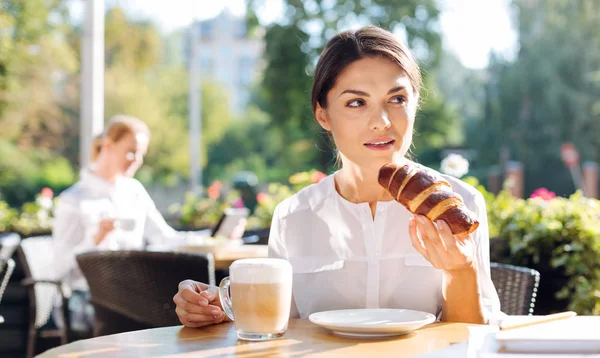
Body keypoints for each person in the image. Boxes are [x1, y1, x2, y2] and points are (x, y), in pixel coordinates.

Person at [173, 26, 501, 328]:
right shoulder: (293, 217)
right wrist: (214, 308)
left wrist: (461, 271)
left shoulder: (460, 206)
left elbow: (469, 339)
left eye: (397, 99)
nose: (382, 121)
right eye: (357, 102)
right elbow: (276, 329)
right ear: (323, 114)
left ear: (415, 104)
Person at [52, 115, 221, 329]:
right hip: (86, 301)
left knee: (194, 306)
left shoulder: (134, 191)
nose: (137, 160)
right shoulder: (74, 200)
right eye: (131, 151)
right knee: (173, 315)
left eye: (141, 154)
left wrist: (212, 237)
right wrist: (95, 239)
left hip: (131, 297)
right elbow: (59, 268)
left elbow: (164, 237)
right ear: (107, 146)